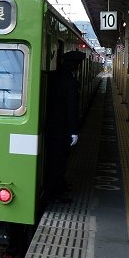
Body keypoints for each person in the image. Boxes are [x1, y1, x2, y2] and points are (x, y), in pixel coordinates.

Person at [44, 50, 85, 203]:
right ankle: (53, 192)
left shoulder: (56, 76)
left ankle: (59, 185)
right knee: (58, 162)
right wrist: (74, 131)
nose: (78, 67)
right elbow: (71, 108)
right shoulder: (68, 81)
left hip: (52, 127)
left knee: (56, 161)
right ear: (73, 64)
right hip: (60, 130)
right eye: (78, 64)